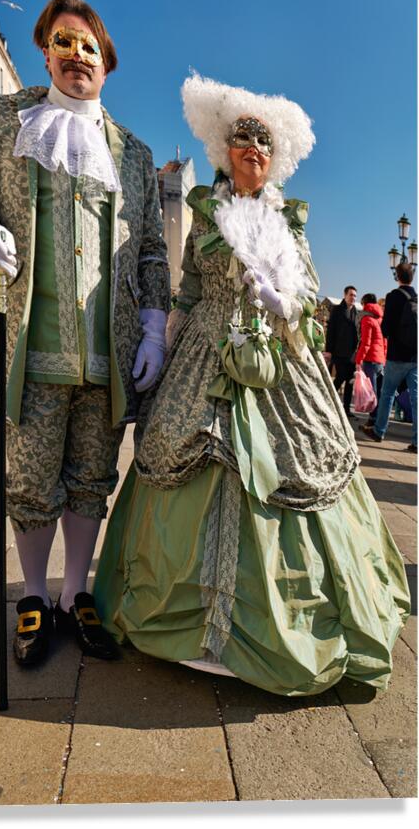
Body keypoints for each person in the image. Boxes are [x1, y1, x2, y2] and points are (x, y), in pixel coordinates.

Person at [94, 74, 409, 696]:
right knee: (186, 452)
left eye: (263, 144)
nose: (253, 151)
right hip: (204, 352)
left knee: (288, 465)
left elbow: (307, 295)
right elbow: (188, 288)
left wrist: (283, 302)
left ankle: (268, 623)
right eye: (243, 141)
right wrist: (164, 341)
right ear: (225, 150)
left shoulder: (289, 222)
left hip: (275, 357)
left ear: (274, 157)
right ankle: (190, 620)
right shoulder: (206, 213)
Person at [0, 0, 170, 667]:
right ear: (44, 51)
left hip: (108, 352)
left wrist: (155, 326)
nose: (78, 55)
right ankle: (34, 594)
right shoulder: (4, 118)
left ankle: (77, 591)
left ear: (107, 63)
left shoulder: (135, 153)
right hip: (33, 343)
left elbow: (153, 250)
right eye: (64, 42)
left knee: (91, 476)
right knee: (29, 480)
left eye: (89, 47)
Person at [362, 262, 417, 453]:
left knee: (387, 394)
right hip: (415, 357)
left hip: (396, 356)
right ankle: (417, 441)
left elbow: (385, 329)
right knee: (416, 399)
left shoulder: (394, 297)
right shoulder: (416, 297)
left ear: (397, 277)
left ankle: (379, 431)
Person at [325, 286, 359, 417]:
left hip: (352, 353)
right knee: (340, 377)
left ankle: (346, 409)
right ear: (344, 295)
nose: (353, 297)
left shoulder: (355, 312)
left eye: (355, 295)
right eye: (351, 295)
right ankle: (329, 402)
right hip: (338, 351)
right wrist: (328, 350)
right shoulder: (337, 310)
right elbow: (331, 331)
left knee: (350, 381)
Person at [355, 292, 386, 425]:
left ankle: (373, 421)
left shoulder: (367, 319)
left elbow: (366, 343)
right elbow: (384, 341)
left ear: (365, 303)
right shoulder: (380, 318)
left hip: (370, 359)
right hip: (380, 359)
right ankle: (378, 420)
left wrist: (358, 360)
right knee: (379, 392)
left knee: (371, 393)